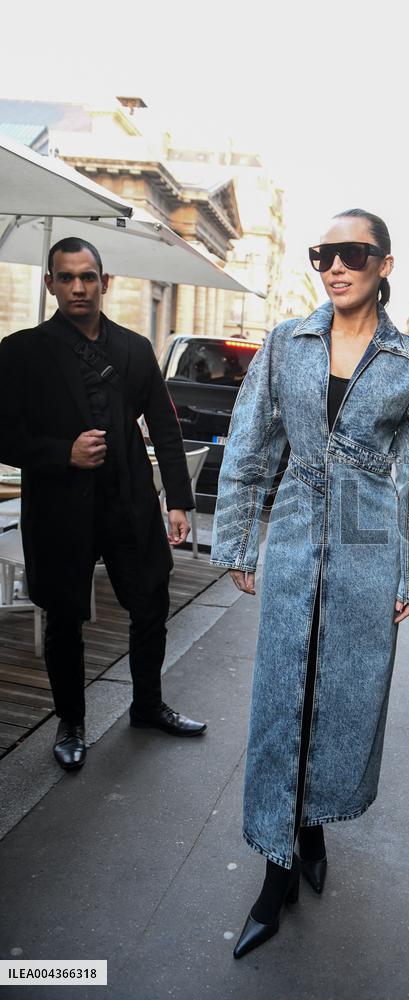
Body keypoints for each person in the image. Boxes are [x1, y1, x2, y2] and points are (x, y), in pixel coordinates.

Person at [212, 208, 409, 958]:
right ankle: (275, 870)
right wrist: (238, 539)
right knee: (285, 689)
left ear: (384, 263)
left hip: (367, 533)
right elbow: (250, 443)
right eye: (324, 254)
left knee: (343, 689)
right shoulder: (287, 342)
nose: (336, 266)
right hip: (292, 527)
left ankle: (311, 824)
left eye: (353, 252)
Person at [0, 237, 207, 772]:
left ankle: (147, 706)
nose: (78, 287)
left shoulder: (135, 348)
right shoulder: (21, 352)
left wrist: (178, 502)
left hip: (128, 503)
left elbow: (163, 425)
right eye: (67, 277)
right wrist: (61, 452)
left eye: (87, 277)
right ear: (50, 284)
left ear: (104, 283)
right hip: (59, 508)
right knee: (64, 617)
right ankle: (71, 722)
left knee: (151, 604)